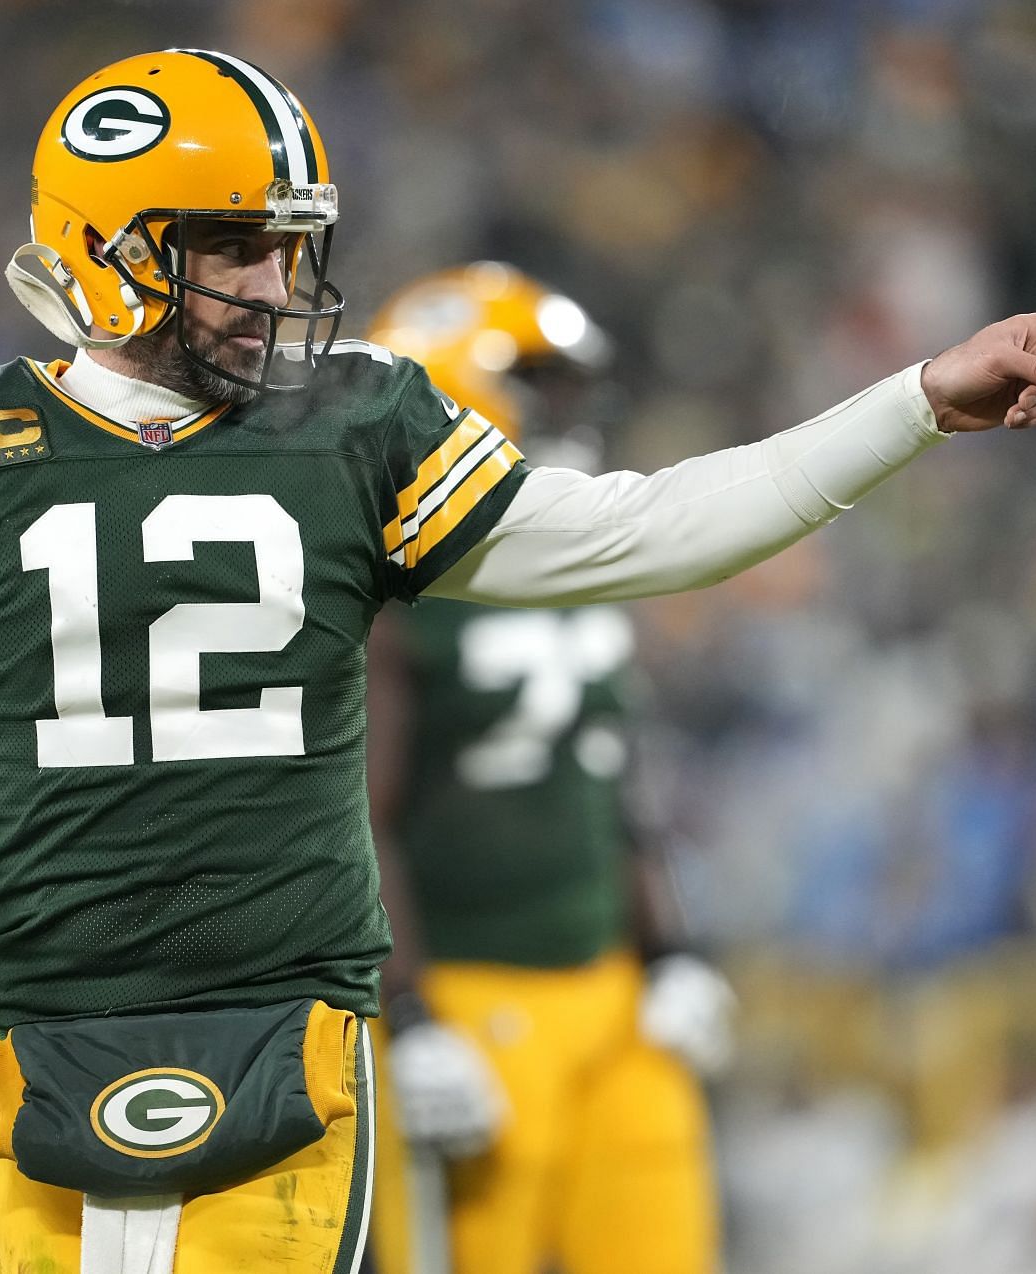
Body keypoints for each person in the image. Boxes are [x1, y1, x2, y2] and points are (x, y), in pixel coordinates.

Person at [0, 46, 1036, 1274]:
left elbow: (652, 530)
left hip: (287, 1021)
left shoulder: (354, 419)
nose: (277, 286)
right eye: (239, 245)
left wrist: (911, 405)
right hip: (39, 1032)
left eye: (293, 247)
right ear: (114, 245)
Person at [361, 264, 734, 1274]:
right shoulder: (387, 586)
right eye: (540, 383)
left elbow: (617, 779)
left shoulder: (582, 556)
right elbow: (356, 818)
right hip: (475, 998)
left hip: (612, 994)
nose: (570, 412)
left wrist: (672, 950)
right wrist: (408, 1011)